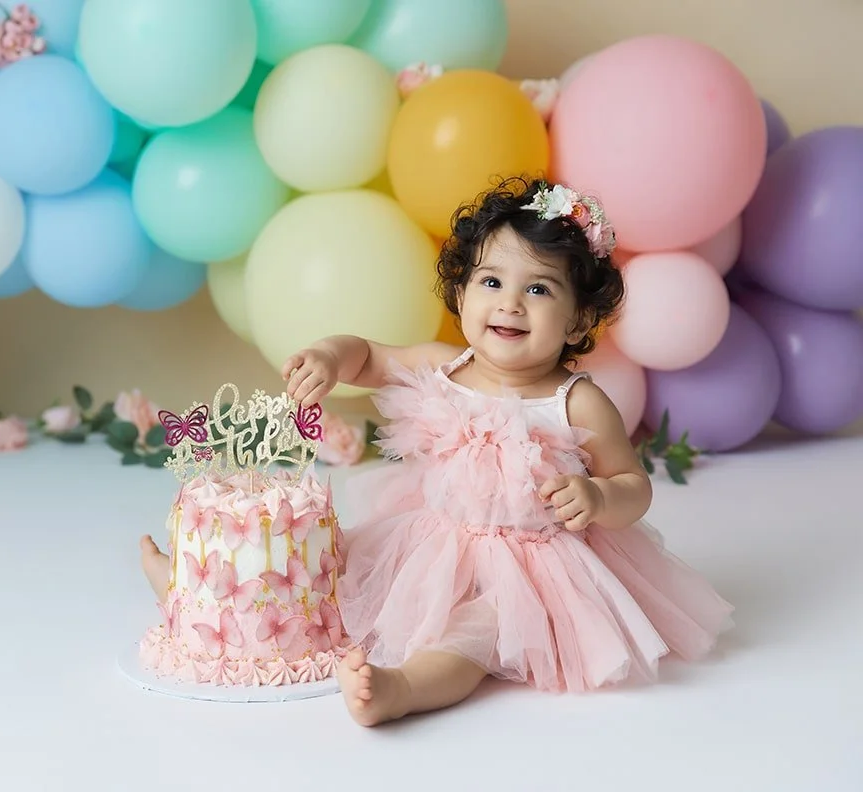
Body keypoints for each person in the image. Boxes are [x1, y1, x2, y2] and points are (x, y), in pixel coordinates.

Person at [281, 177, 733, 727]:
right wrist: (330, 356)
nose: (511, 304)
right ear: (462, 294)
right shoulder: (442, 365)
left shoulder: (579, 404)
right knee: (341, 568)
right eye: (491, 281)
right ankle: (204, 593)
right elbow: (370, 356)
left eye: (539, 289)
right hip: (431, 540)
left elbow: (633, 486)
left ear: (579, 321)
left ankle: (401, 689)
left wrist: (597, 494)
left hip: (527, 571)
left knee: (473, 637)